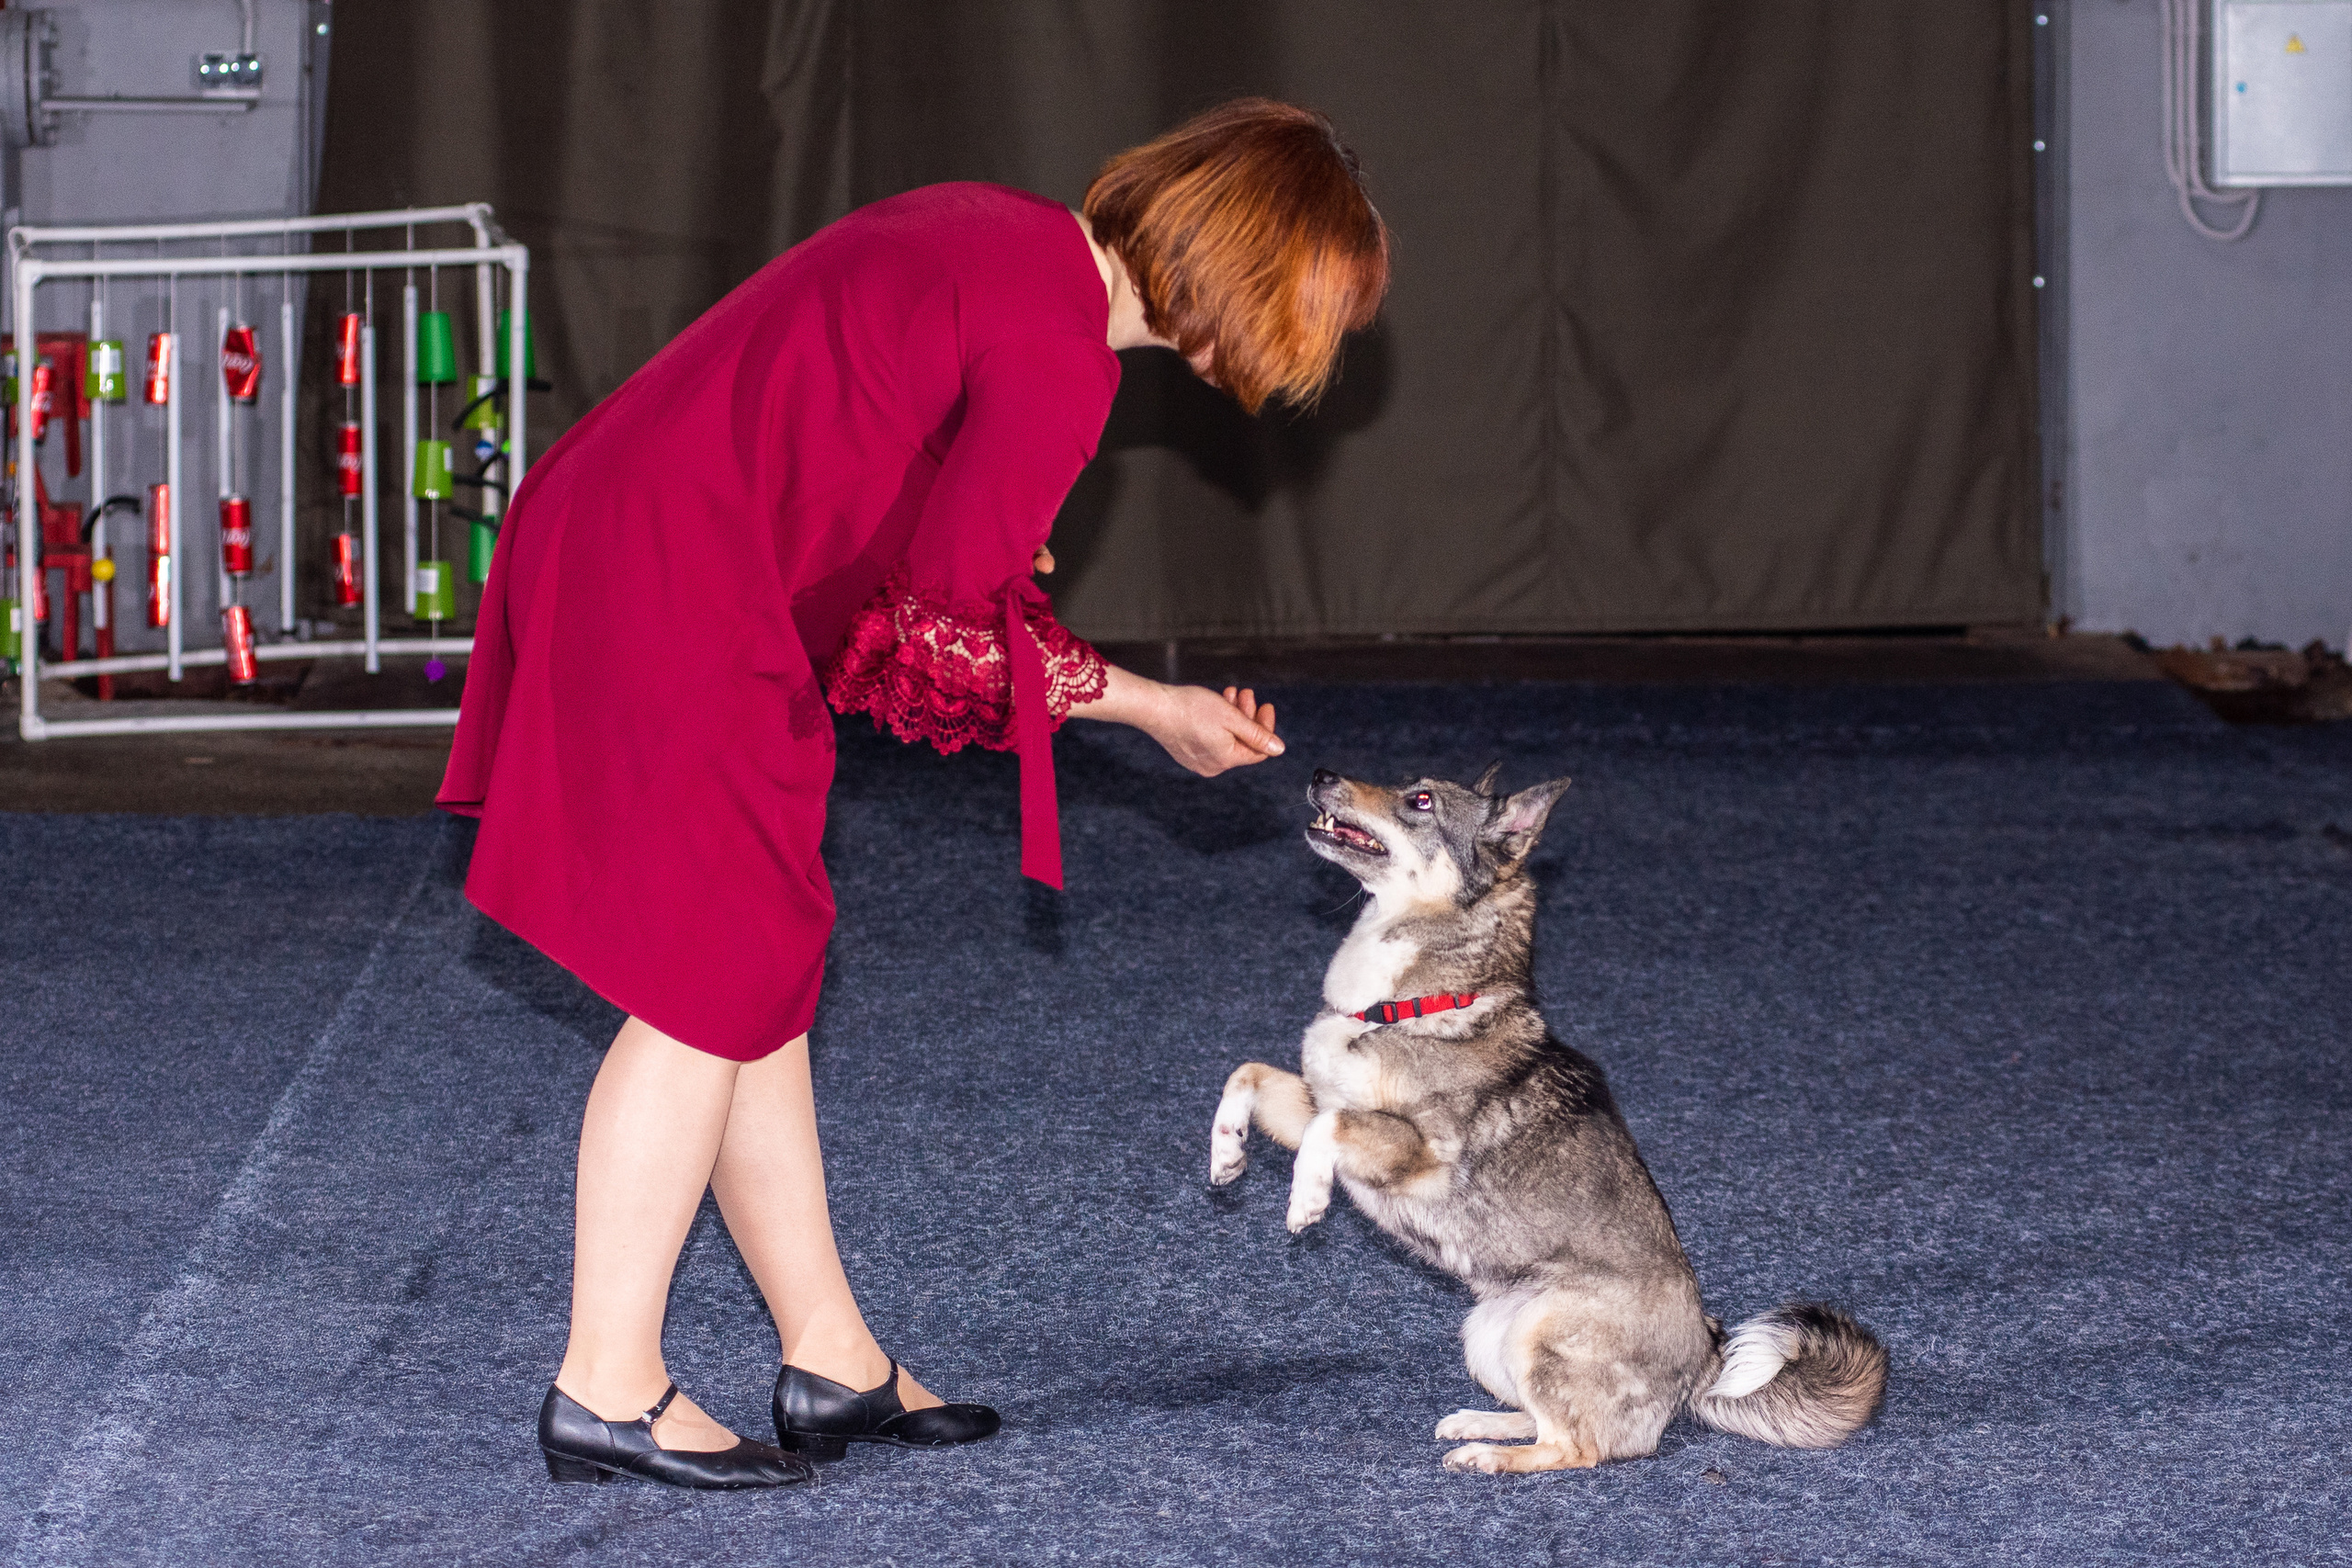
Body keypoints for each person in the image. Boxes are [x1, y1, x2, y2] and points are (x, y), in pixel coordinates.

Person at [438, 97, 1390, 1490]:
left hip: (637, 533)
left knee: (758, 956)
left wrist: (1032, 607)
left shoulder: (998, 231)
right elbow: (935, 637)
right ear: (1252, 274)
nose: (1317, 350)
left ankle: (829, 1354)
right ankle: (608, 1385)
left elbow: (897, 532)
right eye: (1321, 310)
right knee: (705, 980)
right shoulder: (1061, 356)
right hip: (681, 579)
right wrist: (1151, 709)